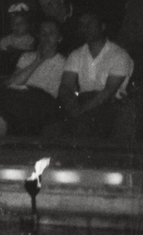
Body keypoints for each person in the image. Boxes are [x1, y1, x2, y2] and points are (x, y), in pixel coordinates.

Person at [57, 9, 133, 139]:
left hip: (110, 104)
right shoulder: (77, 54)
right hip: (83, 102)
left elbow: (108, 91)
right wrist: (73, 106)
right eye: (82, 24)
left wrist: (81, 110)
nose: (85, 28)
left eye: (90, 24)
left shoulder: (118, 55)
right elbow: (66, 85)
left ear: (102, 26)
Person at [0, 18, 68, 137]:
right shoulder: (27, 57)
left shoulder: (64, 62)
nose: (46, 36)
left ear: (60, 38)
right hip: (19, 96)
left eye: (51, 33)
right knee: (3, 96)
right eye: (42, 33)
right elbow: (13, 82)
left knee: (11, 101)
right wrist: (38, 61)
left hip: (44, 100)